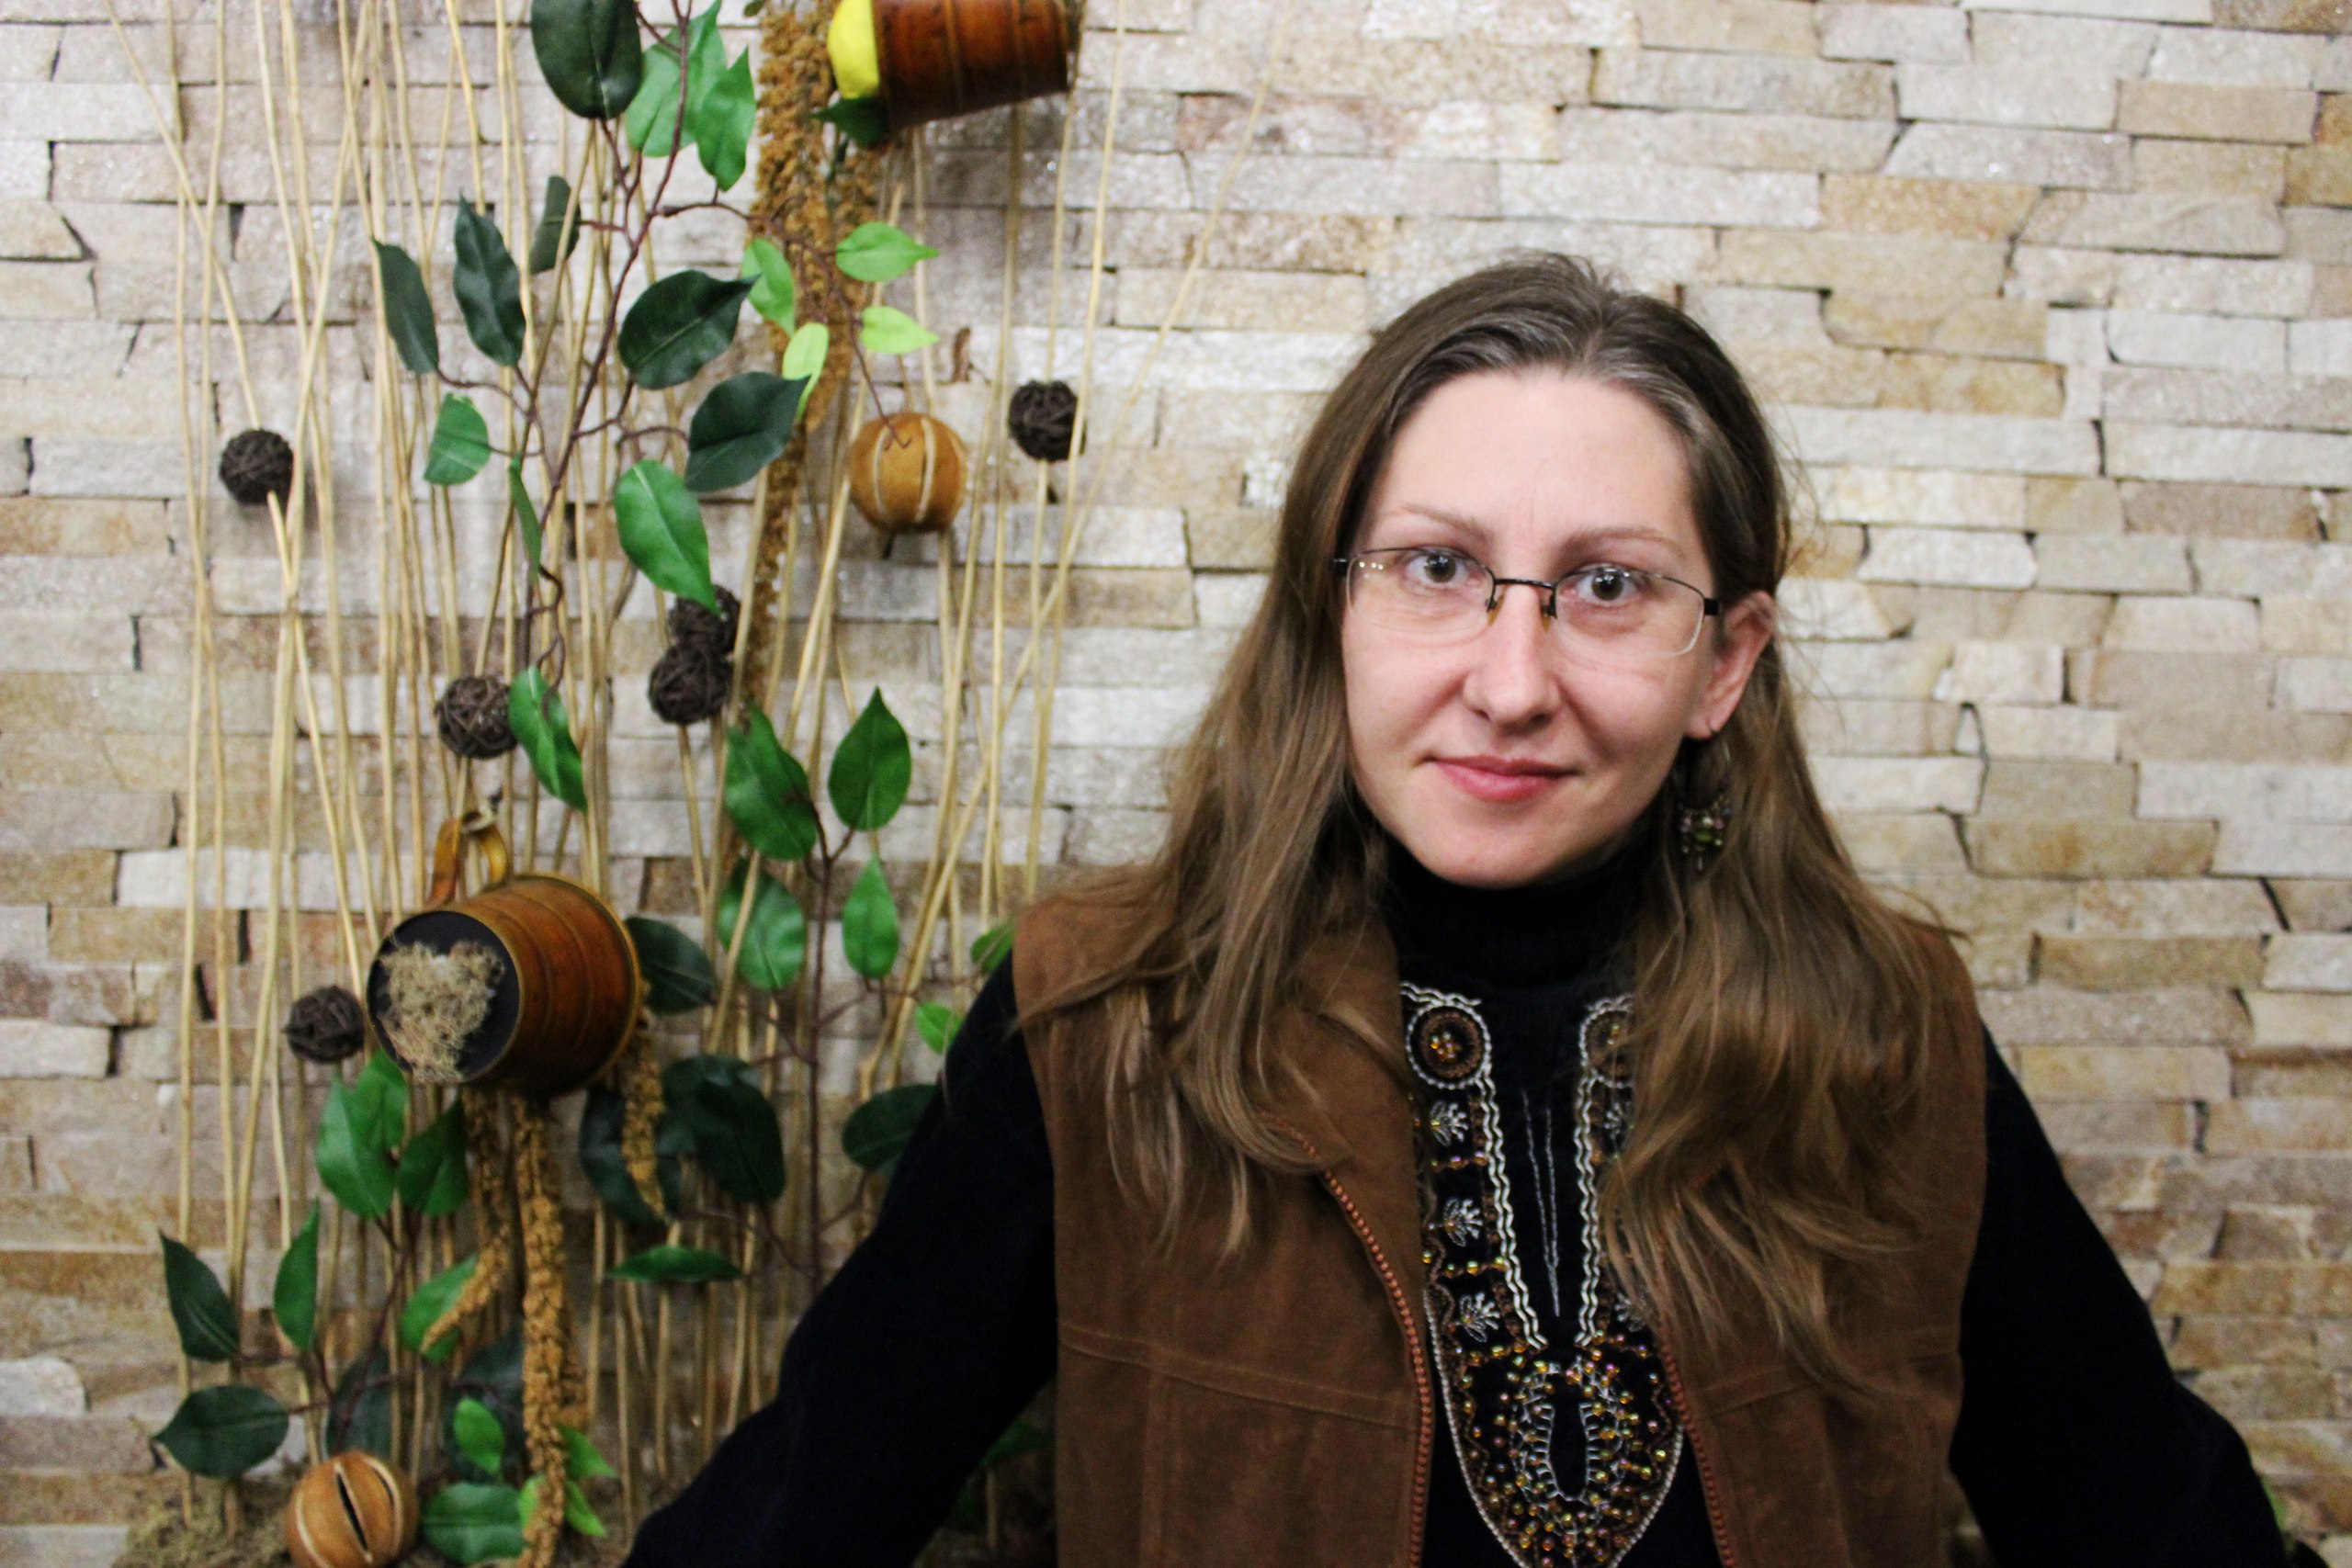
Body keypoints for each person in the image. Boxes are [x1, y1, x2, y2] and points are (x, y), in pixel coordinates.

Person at [625, 253, 2295, 1567]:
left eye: (1608, 587)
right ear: (1334, 608)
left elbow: (2149, 1517)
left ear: (1724, 664)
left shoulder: (1886, 1033)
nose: (1510, 683)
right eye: (1437, 568)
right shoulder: (1109, 1020)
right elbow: (803, 1506)